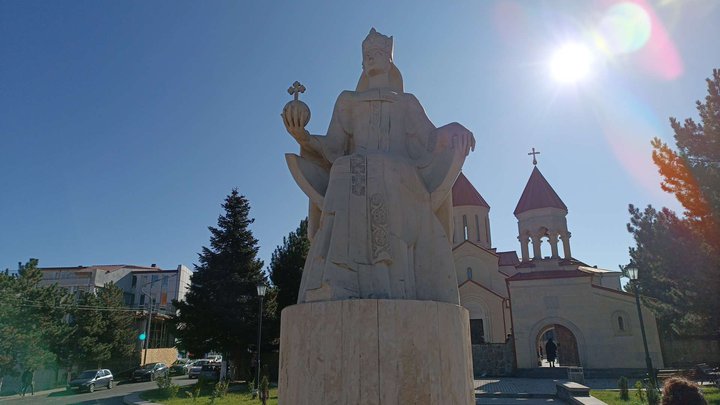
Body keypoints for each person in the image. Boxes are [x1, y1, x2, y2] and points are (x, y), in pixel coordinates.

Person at [283, 28, 475, 304]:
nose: (372, 58)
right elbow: (333, 148)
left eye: (379, 53)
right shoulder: (347, 100)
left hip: (400, 172)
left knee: (375, 168)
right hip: (355, 170)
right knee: (343, 168)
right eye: (368, 55)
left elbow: (431, 140)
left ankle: (387, 276)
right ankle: (338, 276)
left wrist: (456, 128)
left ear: (389, 60)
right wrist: (302, 135)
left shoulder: (407, 102)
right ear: (362, 63)